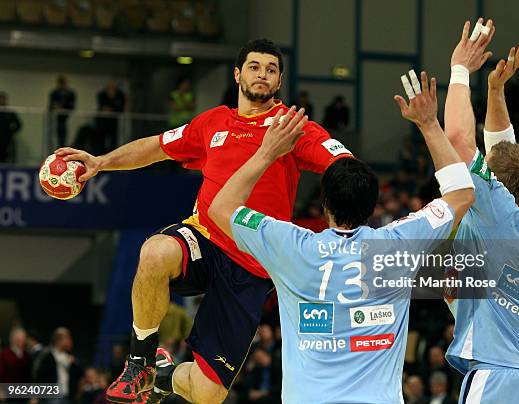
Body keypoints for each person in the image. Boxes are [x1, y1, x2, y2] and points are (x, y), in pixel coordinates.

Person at [55, 38, 353, 403]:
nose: (262, 75)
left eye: (271, 70)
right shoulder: (213, 122)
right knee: (154, 253)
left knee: (207, 394)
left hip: (253, 266)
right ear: (238, 74)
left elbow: (343, 164)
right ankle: (141, 362)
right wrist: (101, 161)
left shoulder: (291, 128)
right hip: (205, 237)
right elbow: (156, 146)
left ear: (278, 82)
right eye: (255, 67)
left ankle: (165, 376)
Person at [200, 70, 475, 402]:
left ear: (324, 205)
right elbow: (461, 194)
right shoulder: (399, 244)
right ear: (373, 205)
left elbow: (220, 208)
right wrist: (429, 124)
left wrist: (267, 152)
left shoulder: (291, 246)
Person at [442, 19, 519, 403]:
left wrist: (459, 70)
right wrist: (495, 89)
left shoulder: (498, 212)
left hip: (497, 374)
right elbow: (505, 147)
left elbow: (457, 138)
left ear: (495, 186)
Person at [32, 327, 82, 403]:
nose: (69, 341)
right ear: (58, 340)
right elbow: (40, 376)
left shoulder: (70, 356)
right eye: (66, 338)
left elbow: (79, 374)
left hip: (67, 395)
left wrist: (74, 363)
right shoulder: (48, 355)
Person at [95, 78, 126, 154]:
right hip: (103, 120)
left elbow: (121, 107)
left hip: (113, 120)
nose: (111, 86)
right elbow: (101, 106)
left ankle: (113, 153)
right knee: (101, 137)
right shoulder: (102, 94)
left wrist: (112, 109)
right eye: (110, 84)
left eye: (113, 84)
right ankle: (100, 153)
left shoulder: (120, 94)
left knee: (113, 138)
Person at [48, 75, 76, 148]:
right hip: (54, 118)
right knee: (54, 135)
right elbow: (50, 105)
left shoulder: (70, 93)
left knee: (63, 135)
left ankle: (64, 147)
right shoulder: (54, 93)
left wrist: (64, 108)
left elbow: (72, 106)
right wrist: (55, 107)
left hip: (66, 117)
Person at [0, 92, 22, 163]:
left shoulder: (9, 112)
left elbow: (18, 124)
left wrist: (11, 132)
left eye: (3, 99)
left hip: (6, 137)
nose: (2, 101)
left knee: (6, 154)